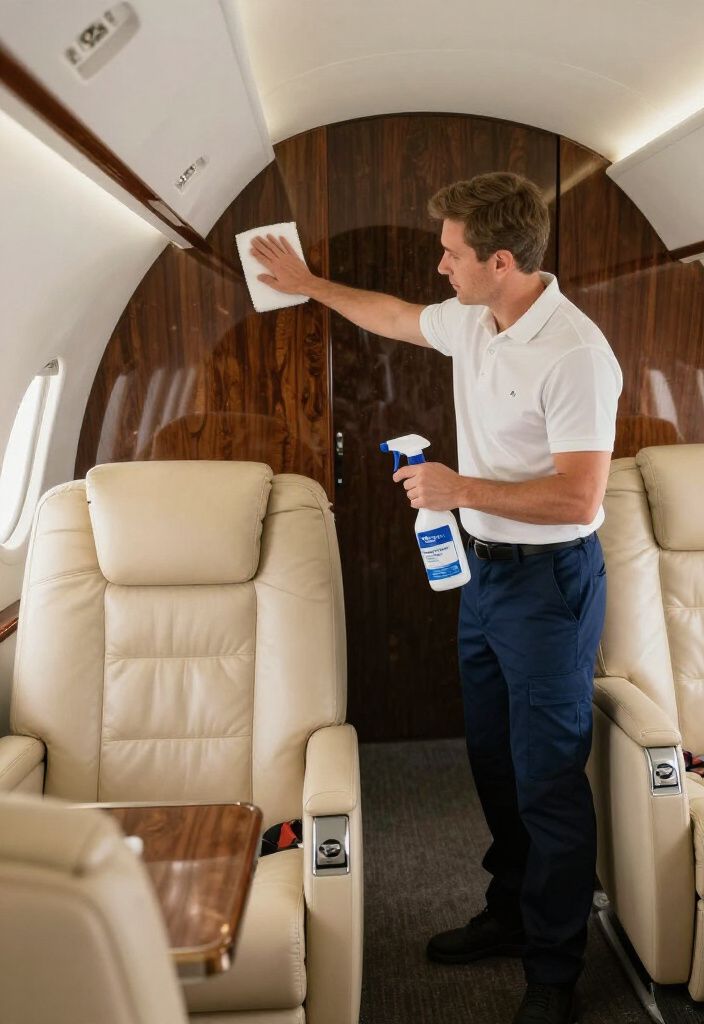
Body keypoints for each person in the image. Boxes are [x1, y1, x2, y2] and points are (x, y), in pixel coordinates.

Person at [251, 171, 622, 1024]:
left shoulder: (574, 354)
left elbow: (579, 500)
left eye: (452, 251)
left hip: (549, 586)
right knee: (492, 758)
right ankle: (510, 911)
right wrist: (307, 285)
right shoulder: (479, 319)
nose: (439, 263)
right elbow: (389, 313)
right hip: (486, 575)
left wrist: (458, 490)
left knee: (548, 777)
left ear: (500, 259)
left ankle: (556, 970)